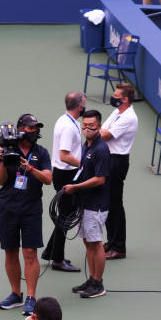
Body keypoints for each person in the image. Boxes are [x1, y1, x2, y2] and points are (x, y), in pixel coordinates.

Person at [0, 114, 52, 316]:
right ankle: (15, 294)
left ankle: (31, 297)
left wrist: (30, 168)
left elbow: (48, 179)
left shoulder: (41, 153)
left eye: (36, 128)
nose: (34, 131)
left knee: (30, 253)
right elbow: (0, 180)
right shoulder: (8, 150)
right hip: (8, 208)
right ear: (20, 130)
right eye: (30, 128)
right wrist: (2, 162)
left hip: (31, 210)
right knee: (10, 251)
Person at [64, 110, 110, 299]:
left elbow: (100, 179)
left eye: (92, 125)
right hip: (85, 203)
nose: (87, 128)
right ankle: (92, 279)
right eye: (84, 125)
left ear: (99, 127)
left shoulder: (101, 149)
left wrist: (75, 187)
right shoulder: (87, 146)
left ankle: (98, 284)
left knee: (96, 243)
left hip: (96, 205)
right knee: (88, 242)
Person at [44, 91, 85, 273]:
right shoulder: (68, 127)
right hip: (66, 175)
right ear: (79, 106)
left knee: (66, 214)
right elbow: (65, 155)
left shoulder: (67, 120)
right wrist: (85, 164)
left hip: (64, 173)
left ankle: (50, 252)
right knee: (66, 216)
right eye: (83, 104)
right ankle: (58, 260)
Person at [100, 82, 139, 260]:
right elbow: (102, 127)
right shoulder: (118, 112)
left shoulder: (129, 117)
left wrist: (96, 130)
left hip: (117, 161)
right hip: (109, 158)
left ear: (124, 99)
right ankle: (111, 241)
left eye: (116, 95)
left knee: (115, 204)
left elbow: (104, 134)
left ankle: (119, 247)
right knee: (107, 203)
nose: (113, 97)